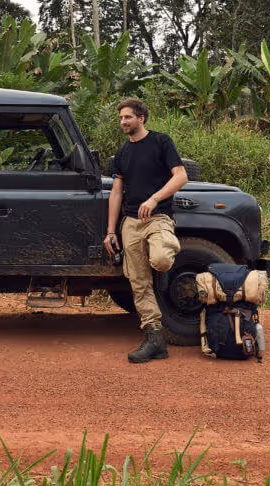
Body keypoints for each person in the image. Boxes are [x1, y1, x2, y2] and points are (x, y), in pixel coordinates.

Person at [103, 98, 188, 363]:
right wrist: (110, 231)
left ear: (141, 118)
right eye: (121, 118)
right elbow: (117, 192)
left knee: (161, 260)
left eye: (127, 117)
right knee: (138, 283)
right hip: (130, 222)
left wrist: (153, 199)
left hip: (158, 216)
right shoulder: (122, 153)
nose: (123, 122)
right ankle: (155, 339)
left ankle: (162, 279)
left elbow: (181, 176)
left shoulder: (161, 142)